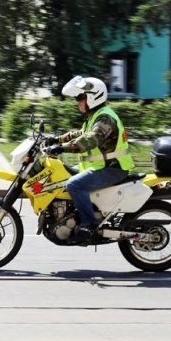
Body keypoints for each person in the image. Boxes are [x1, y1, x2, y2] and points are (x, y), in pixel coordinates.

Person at [46, 75, 134, 242]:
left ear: (93, 97)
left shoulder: (105, 118)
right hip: (101, 167)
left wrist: (61, 148)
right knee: (62, 176)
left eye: (80, 97)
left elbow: (89, 140)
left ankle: (89, 224)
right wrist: (56, 139)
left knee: (74, 185)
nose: (77, 101)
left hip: (113, 168)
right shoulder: (95, 116)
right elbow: (79, 134)